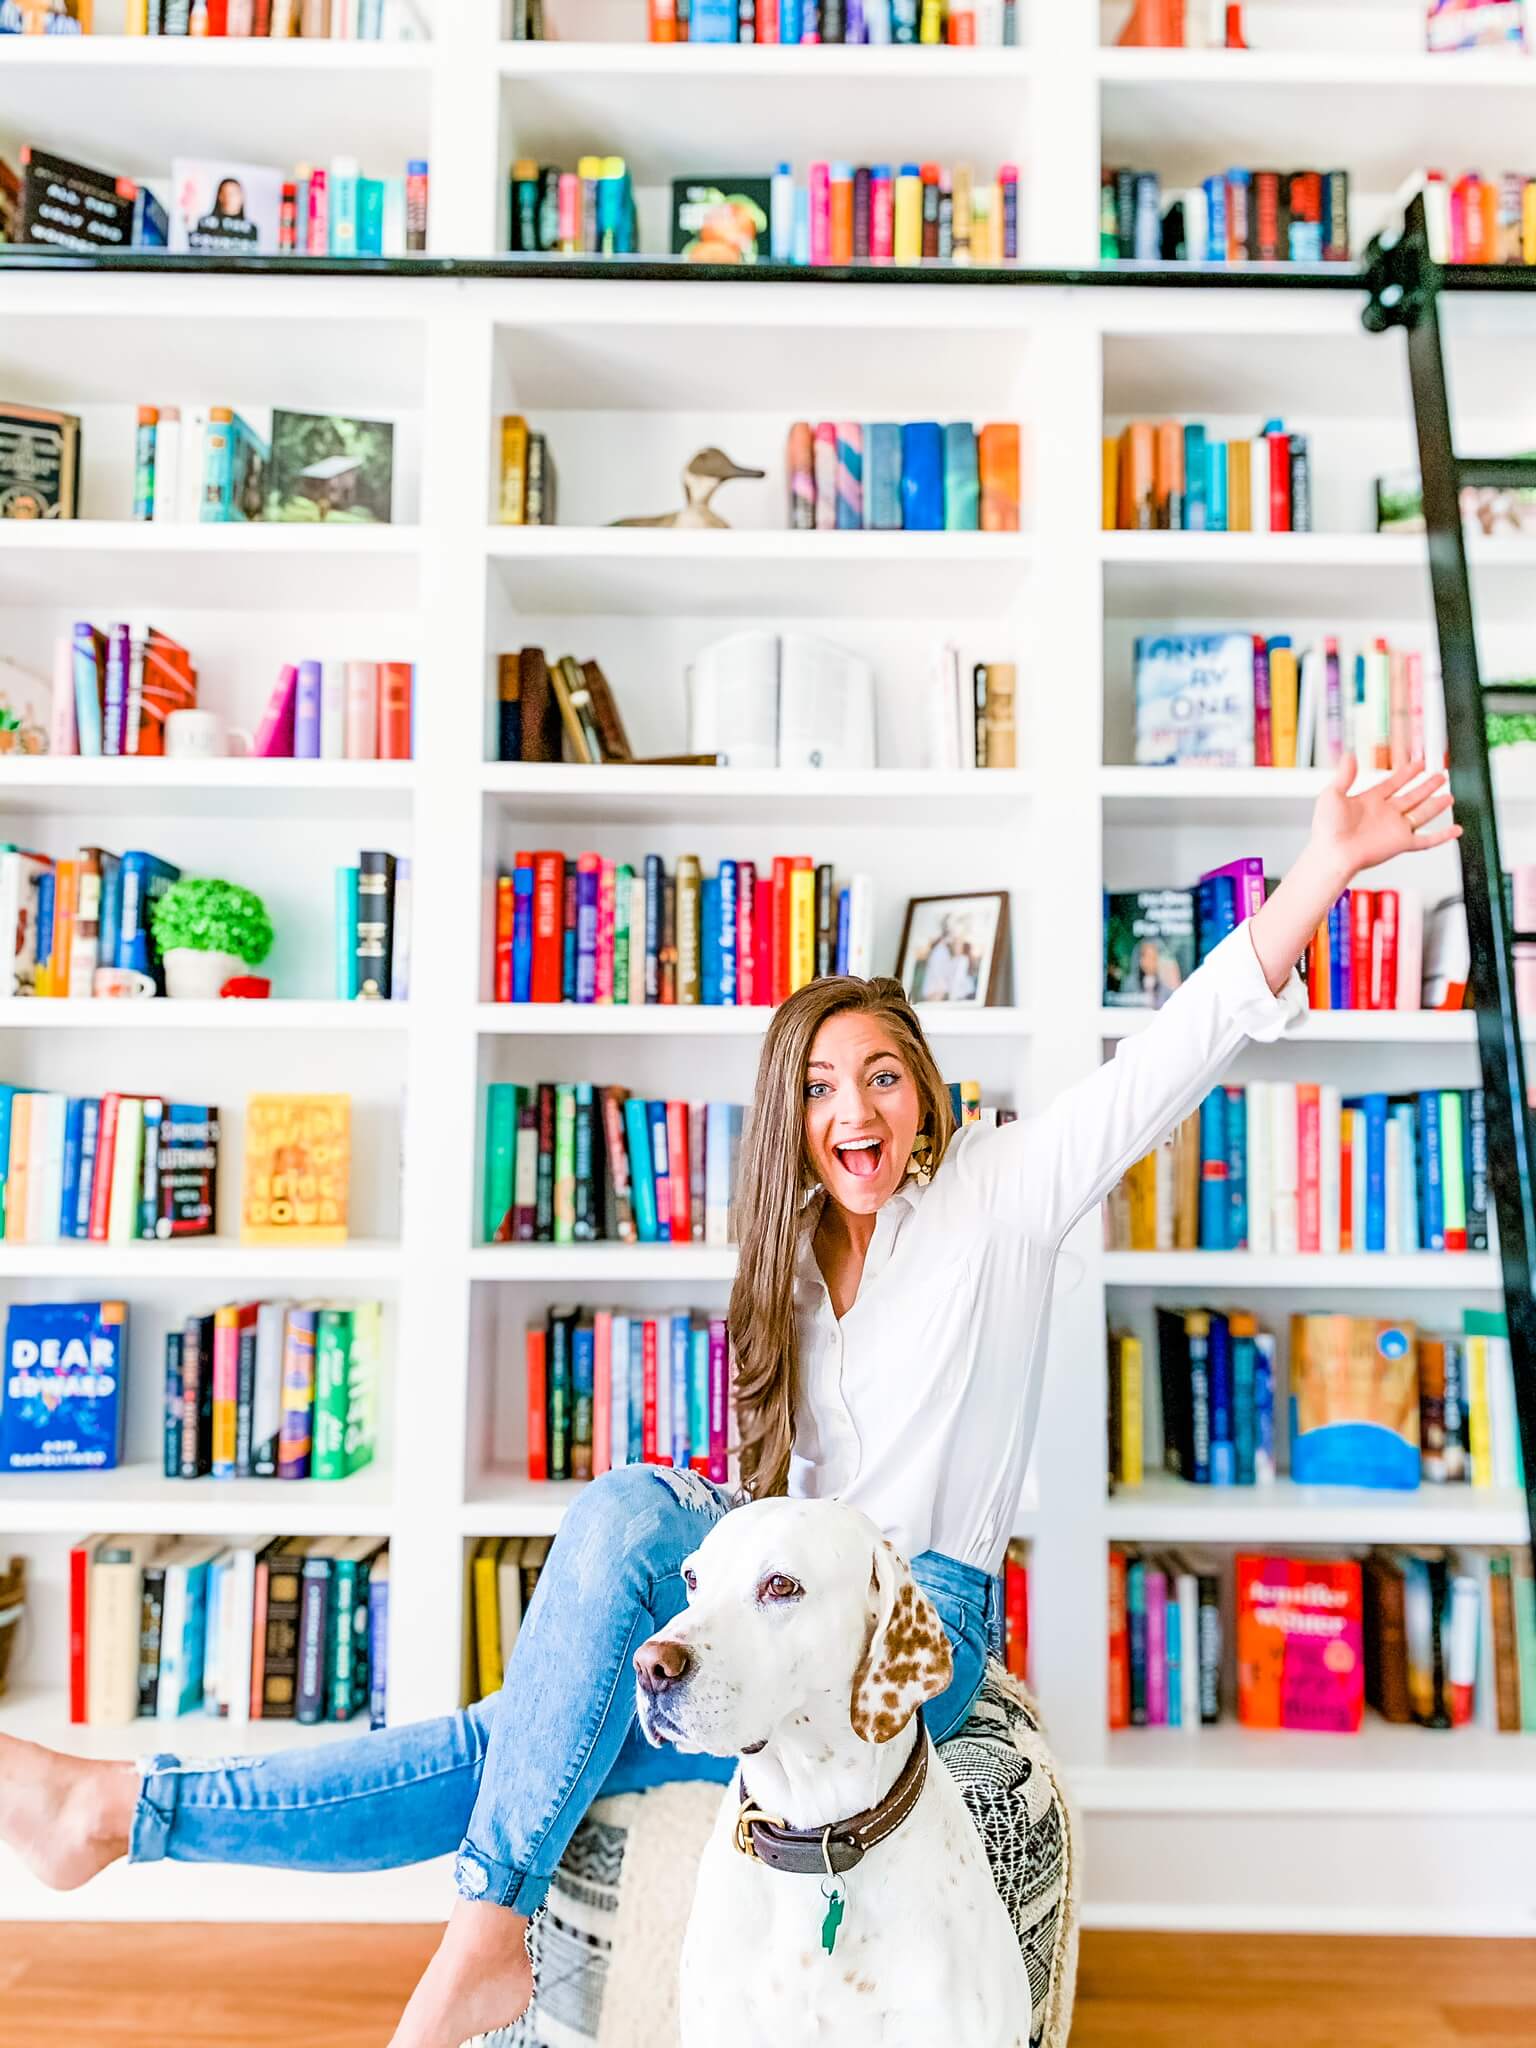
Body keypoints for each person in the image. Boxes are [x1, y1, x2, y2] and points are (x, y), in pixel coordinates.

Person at [0, 757, 1457, 2048]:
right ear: (791, 1116)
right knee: (583, 1614)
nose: (855, 1110)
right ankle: (192, 1837)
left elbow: (1177, 1052)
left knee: (535, 1710)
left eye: (882, 1077)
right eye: (820, 1087)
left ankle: (167, 1828)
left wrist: (1323, 867)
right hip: (769, 1585)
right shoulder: (784, 1260)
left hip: (919, 1615)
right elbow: (754, 1505)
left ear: (924, 1090)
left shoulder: (1007, 1190)